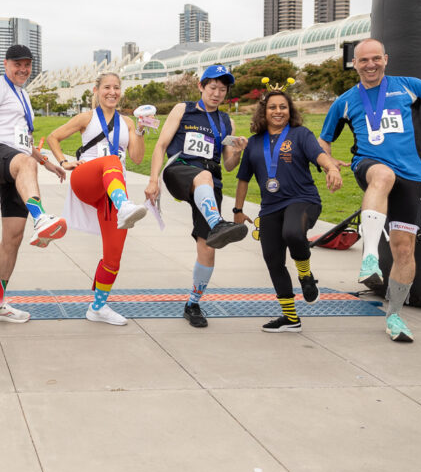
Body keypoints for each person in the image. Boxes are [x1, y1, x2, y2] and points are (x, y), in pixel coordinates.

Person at [319, 39, 421, 342]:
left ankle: (394, 315)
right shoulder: (345, 101)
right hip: (369, 165)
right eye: (363, 60)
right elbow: (324, 140)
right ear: (354, 64)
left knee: (403, 249)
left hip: (411, 174)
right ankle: (370, 257)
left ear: (385, 59)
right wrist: (330, 164)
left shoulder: (410, 87)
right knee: (382, 175)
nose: (370, 65)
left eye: (375, 59)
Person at [144, 64, 249, 329]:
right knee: (200, 175)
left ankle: (193, 302)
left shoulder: (226, 121)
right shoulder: (184, 109)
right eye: (212, 87)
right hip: (180, 169)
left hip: (210, 181)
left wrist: (237, 151)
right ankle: (218, 224)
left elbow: (227, 165)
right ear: (201, 86)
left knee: (208, 248)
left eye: (222, 90)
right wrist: (153, 179)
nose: (217, 93)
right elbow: (161, 145)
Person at [232, 87, 342, 332]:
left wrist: (331, 169)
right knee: (273, 260)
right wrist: (237, 209)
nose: (278, 111)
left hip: (302, 199)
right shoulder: (253, 143)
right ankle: (291, 318)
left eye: (283, 107)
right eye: (272, 107)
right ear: (264, 111)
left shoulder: (301, 134)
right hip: (270, 207)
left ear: (289, 110)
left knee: (292, 233)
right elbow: (243, 179)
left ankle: (305, 275)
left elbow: (320, 155)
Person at [0, 44, 68, 323]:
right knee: (25, 164)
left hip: (17, 159)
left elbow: (25, 144)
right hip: (1, 153)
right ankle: (41, 219)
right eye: (17, 64)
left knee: (12, 238)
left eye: (27, 65)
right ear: (6, 64)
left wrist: (47, 163)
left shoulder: (24, 95)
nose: (23, 69)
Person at [46, 72, 147, 326]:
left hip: (113, 190)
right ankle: (124, 205)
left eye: (116, 88)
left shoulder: (128, 123)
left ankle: (98, 307)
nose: (112, 92)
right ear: (97, 90)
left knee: (114, 256)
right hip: (86, 179)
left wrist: (142, 131)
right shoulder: (87, 117)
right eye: (107, 88)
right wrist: (63, 161)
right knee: (111, 161)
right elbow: (53, 138)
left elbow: (136, 158)